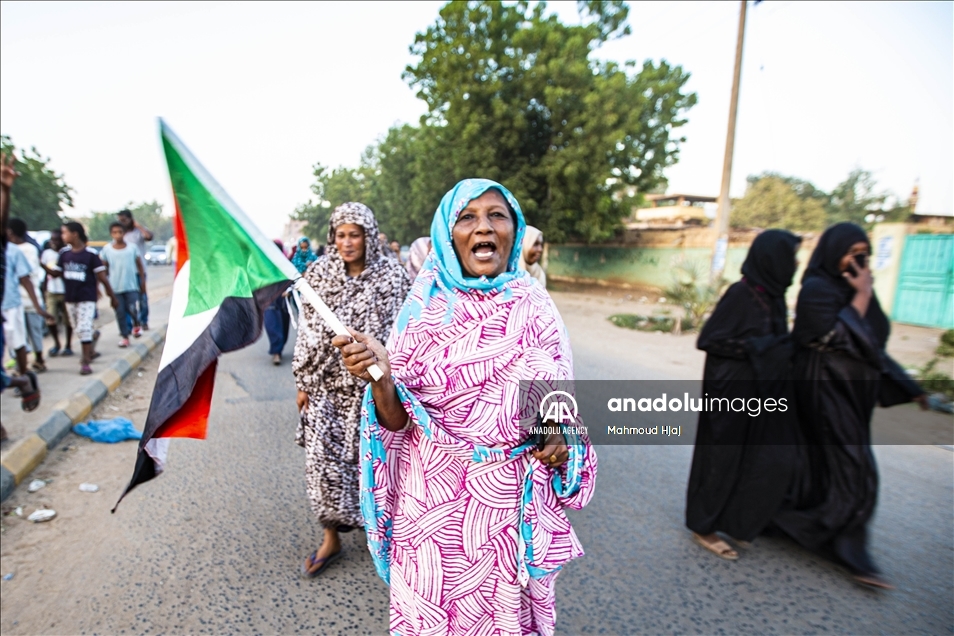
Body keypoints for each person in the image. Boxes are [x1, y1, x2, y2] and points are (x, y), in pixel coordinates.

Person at [334, 179, 597, 636]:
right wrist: (382, 377)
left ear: (514, 230)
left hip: (505, 511)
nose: (484, 227)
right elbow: (397, 422)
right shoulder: (420, 309)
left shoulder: (535, 306)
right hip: (430, 507)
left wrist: (559, 438)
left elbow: (560, 411)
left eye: (498, 215)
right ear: (447, 233)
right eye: (467, 217)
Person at [774, 222, 927, 590]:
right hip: (823, 390)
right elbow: (828, 335)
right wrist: (860, 297)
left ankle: (789, 522)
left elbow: (873, 347)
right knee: (854, 467)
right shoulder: (817, 289)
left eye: (864, 252)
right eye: (851, 251)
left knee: (826, 463)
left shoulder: (855, 289)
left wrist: (909, 386)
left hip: (852, 394)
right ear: (834, 251)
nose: (858, 259)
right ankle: (853, 553)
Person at [292, 202, 410, 578]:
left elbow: (405, 333)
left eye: (354, 234)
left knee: (377, 465)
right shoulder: (319, 274)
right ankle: (331, 537)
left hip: (372, 392)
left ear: (369, 236)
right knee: (322, 466)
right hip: (326, 388)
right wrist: (303, 380)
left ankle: (391, 537)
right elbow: (308, 332)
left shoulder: (392, 277)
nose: (347, 242)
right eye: (341, 235)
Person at [685, 229, 802, 560]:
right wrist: (759, 347)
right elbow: (709, 340)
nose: (794, 264)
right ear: (771, 258)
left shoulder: (774, 298)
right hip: (729, 392)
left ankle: (738, 521)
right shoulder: (741, 294)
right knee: (720, 459)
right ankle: (703, 526)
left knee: (757, 459)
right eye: (790, 257)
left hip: (761, 393)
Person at [52, 221, 118, 375]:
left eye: (65, 233)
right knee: (78, 329)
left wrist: (112, 297)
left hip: (87, 298)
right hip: (71, 298)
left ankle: (85, 362)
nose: (63, 236)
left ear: (75, 234)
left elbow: (102, 277)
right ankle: (92, 336)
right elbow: (56, 273)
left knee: (83, 328)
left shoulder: (90, 255)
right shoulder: (64, 254)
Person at [6, 218, 47, 371]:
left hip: (29, 298)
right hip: (13, 302)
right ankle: (20, 368)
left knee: (34, 331)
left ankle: (39, 358)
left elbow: (26, 276)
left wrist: (37, 305)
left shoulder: (28, 249)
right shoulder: (7, 249)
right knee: (17, 337)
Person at [100, 221, 145, 347]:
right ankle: (125, 336)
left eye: (120, 232)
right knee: (120, 312)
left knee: (133, 309)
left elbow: (139, 265)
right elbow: (104, 268)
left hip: (131, 285)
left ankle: (136, 325)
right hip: (115, 287)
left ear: (124, 233)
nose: (118, 235)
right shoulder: (107, 249)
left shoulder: (132, 248)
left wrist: (142, 282)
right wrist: (106, 287)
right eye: (114, 232)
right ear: (111, 234)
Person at [117, 209, 152, 330]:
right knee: (126, 300)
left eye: (124, 220)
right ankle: (130, 324)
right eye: (120, 221)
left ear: (130, 219)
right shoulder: (121, 234)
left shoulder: (138, 232)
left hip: (139, 271)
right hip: (126, 272)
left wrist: (138, 225)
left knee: (142, 297)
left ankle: (144, 321)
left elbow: (149, 236)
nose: (122, 223)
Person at [40, 229, 73, 357]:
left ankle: (68, 345)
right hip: (52, 291)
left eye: (56, 240)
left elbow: (56, 273)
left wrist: (43, 266)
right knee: (51, 318)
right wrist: (44, 289)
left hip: (66, 290)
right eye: (52, 240)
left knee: (68, 320)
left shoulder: (67, 253)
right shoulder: (46, 254)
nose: (53, 242)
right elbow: (46, 276)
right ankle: (57, 343)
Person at [265, 239, 291, 365]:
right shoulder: (263, 263)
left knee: (284, 324)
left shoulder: (286, 263)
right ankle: (276, 351)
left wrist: (288, 290)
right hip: (269, 299)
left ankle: (279, 348)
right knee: (272, 324)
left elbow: (292, 279)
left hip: (283, 297)